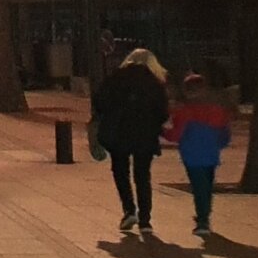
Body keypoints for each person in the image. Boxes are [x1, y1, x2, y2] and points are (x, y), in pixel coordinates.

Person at [91, 47, 171, 234]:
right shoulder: (154, 83)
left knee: (121, 171)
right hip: (145, 134)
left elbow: (100, 102)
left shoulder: (116, 78)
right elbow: (162, 111)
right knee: (143, 175)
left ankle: (129, 210)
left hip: (119, 132)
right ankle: (145, 220)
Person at [163, 74, 232, 236]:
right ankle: (204, 214)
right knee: (207, 185)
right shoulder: (217, 110)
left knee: (199, 186)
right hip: (211, 153)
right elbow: (224, 134)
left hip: (191, 154)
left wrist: (161, 131)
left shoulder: (184, 112)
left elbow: (175, 135)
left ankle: (203, 220)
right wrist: (217, 144)